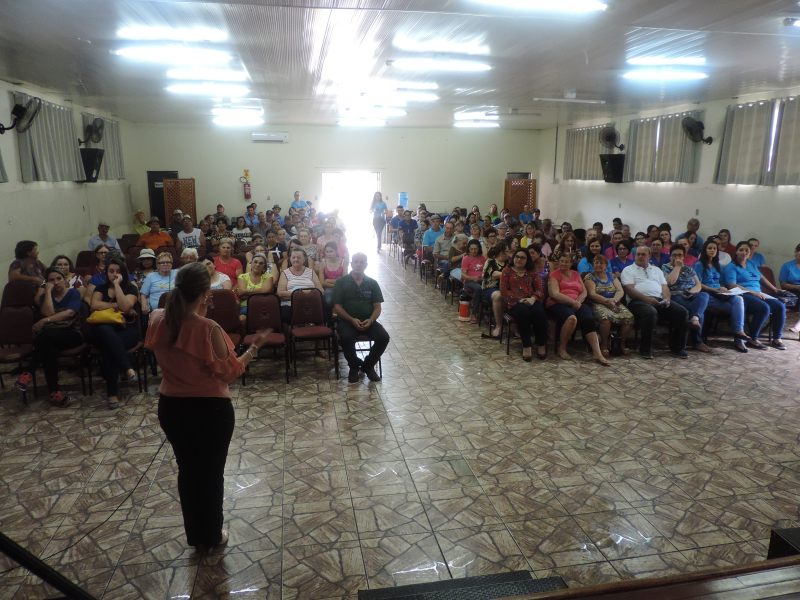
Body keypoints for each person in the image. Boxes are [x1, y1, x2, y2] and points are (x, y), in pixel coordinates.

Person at [145, 262, 273, 551]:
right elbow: (229, 373)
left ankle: (195, 536)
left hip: (172, 408)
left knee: (188, 471)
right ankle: (212, 535)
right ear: (206, 293)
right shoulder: (207, 328)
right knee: (211, 474)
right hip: (209, 411)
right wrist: (255, 347)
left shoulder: (157, 318)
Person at [13, 267, 84, 407]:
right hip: (51, 337)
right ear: (46, 282)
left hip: (72, 333)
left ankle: (29, 372)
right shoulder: (44, 297)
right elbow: (49, 313)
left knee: (46, 338)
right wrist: (48, 293)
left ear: (64, 279)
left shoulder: (73, 293)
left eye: (59, 279)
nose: (56, 282)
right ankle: (54, 393)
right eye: (51, 280)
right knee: (50, 350)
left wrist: (44, 321)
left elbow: (70, 313)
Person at [621, 246, 689, 359]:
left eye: (643, 254)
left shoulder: (656, 270)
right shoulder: (628, 270)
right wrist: (647, 300)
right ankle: (645, 349)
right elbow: (629, 290)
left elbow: (665, 287)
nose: (640, 256)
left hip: (658, 300)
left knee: (682, 312)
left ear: (650, 256)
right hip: (637, 302)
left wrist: (667, 299)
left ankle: (678, 348)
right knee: (650, 312)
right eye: (638, 254)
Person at [90, 258, 140, 409]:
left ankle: (112, 394)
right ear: (106, 273)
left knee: (109, 348)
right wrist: (116, 305)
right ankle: (127, 368)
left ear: (124, 273)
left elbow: (125, 306)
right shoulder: (100, 288)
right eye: (111, 271)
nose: (114, 274)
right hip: (101, 329)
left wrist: (117, 285)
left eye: (118, 271)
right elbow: (94, 305)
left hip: (127, 329)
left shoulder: (131, 288)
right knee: (106, 332)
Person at [332, 253, 389, 383]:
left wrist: (371, 320)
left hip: (368, 320)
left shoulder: (372, 283)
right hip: (347, 321)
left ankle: (368, 365)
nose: (358, 264)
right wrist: (352, 319)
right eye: (356, 262)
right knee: (346, 337)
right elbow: (337, 307)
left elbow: (377, 307)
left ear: (366, 265)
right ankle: (353, 366)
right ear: (351, 264)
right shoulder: (341, 282)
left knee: (383, 337)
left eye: (361, 262)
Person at [547, 254, 609, 365]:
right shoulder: (554, 274)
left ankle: (597, 353)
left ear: (571, 264)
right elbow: (554, 294)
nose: (564, 264)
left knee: (589, 319)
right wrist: (573, 302)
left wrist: (578, 302)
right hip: (558, 303)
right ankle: (562, 348)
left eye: (567, 261)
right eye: (561, 261)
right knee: (572, 318)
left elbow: (584, 291)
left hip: (577, 302)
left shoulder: (575, 274)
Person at [723, 241, 786, 350]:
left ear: (750, 252)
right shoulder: (731, 266)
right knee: (763, 308)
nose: (744, 252)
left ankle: (777, 339)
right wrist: (752, 292)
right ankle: (753, 338)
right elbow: (732, 285)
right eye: (741, 250)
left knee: (780, 306)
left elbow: (761, 278)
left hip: (758, 294)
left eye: (746, 250)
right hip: (743, 294)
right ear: (736, 252)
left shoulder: (751, 264)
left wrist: (774, 289)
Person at [693, 240, 750, 352]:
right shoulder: (699, 265)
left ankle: (739, 333)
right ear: (704, 250)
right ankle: (738, 340)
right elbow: (698, 284)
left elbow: (721, 281)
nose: (712, 250)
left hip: (719, 294)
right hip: (707, 295)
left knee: (738, 299)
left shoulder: (717, 265)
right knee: (734, 309)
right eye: (710, 248)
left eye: (714, 248)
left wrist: (723, 288)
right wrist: (715, 290)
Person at [662, 244, 711, 353]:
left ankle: (695, 318)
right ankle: (697, 341)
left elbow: (698, 284)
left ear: (684, 256)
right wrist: (677, 267)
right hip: (676, 295)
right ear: (670, 256)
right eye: (674, 255)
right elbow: (669, 282)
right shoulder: (665, 267)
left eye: (680, 255)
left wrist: (692, 292)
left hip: (691, 294)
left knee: (704, 295)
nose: (677, 257)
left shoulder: (689, 268)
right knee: (697, 311)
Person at [500, 249, 548, 361]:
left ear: (527, 260)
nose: (519, 259)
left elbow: (539, 289)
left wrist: (533, 298)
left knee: (539, 312)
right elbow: (504, 291)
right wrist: (519, 299)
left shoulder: (532, 272)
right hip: (514, 302)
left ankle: (541, 344)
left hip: (531, 300)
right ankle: (526, 346)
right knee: (523, 313)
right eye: (517, 257)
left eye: (523, 258)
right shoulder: (507, 271)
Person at [584, 255, 633, 358]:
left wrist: (614, 301)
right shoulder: (589, 277)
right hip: (597, 302)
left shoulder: (612, 275)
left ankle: (621, 344)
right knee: (605, 318)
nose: (598, 265)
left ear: (606, 265)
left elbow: (620, 290)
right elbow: (591, 294)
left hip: (614, 302)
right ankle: (604, 345)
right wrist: (607, 302)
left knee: (629, 317)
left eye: (601, 263)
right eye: (596, 262)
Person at [276, 247, 324, 324]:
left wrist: (296, 294)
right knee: (284, 314)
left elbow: (321, 291)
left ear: (304, 259)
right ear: (290, 259)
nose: (296, 260)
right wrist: (306, 293)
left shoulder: (311, 272)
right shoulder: (285, 273)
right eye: (293, 257)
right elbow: (280, 293)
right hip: (290, 304)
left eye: (299, 257)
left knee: (323, 312)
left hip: (310, 303)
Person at [482, 242, 509, 339]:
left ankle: (513, 326)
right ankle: (499, 325)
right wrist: (508, 274)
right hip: (490, 288)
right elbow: (494, 274)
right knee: (498, 296)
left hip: (505, 288)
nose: (509, 253)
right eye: (507, 251)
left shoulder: (508, 263)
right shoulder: (490, 262)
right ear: (502, 252)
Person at [236, 253, 274, 322]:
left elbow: (266, 290)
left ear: (264, 266)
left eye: (261, 263)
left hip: (264, 304)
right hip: (247, 304)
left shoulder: (268, 276)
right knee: (242, 319)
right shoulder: (242, 277)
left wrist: (247, 291)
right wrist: (261, 293)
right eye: (255, 262)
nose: (257, 265)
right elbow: (242, 296)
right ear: (251, 263)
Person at [141, 252, 178, 319]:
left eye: (168, 262)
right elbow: (143, 295)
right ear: (157, 265)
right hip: (155, 311)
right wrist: (144, 306)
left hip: (175, 309)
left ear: (171, 264)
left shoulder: (178, 274)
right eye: (162, 263)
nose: (165, 264)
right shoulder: (150, 276)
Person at [461, 239, 487, 324]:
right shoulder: (466, 259)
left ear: (478, 249)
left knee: (488, 286)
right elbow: (463, 275)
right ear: (468, 249)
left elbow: (486, 271)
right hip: (469, 280)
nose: (473, 251)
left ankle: (486, 310)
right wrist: (472, 278)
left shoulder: (482, 258)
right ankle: (474, 313)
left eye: (475, 249)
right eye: (471, 249)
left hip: (481, 278)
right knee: (478, 288)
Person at [779, 243, 800, 334]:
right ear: (796, 251)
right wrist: (797, 287)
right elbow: (783, 285)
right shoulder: (787, 266)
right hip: (792, 292)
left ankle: (798, 325)